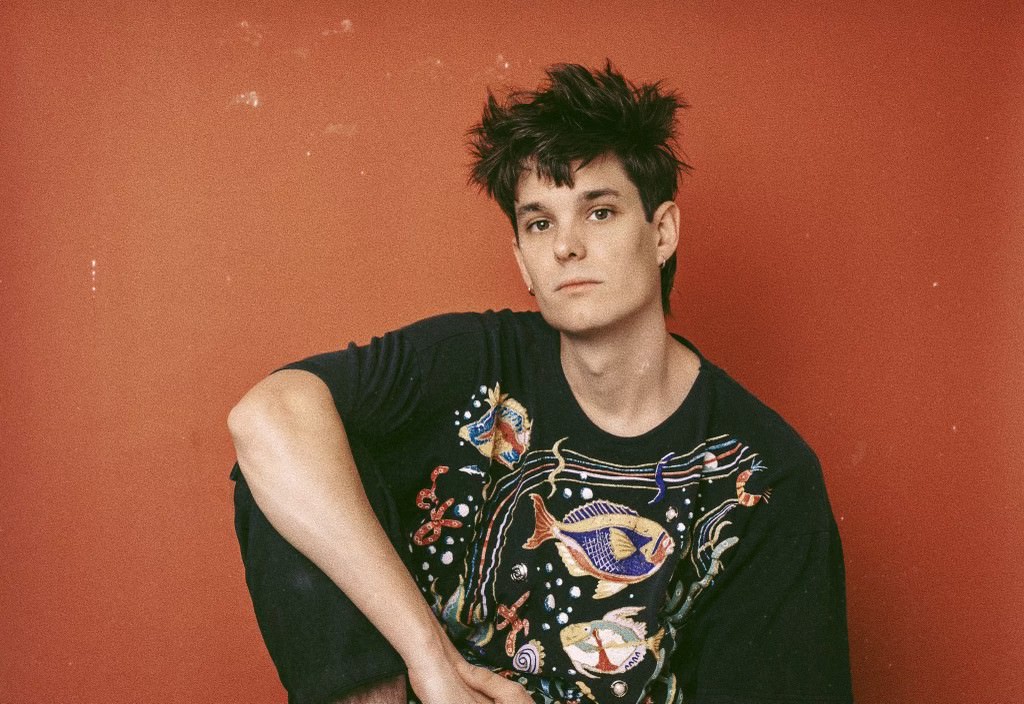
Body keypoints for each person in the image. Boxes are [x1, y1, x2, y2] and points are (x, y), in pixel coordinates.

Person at [228, 62, 854, 704]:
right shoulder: (473, 359)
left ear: (662, 232)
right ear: (522, 261)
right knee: (294, 464)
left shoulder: (762, 477)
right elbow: (267, 417)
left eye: (600, 212)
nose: (566, 247)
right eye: (540, 223)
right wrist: (432, 663)